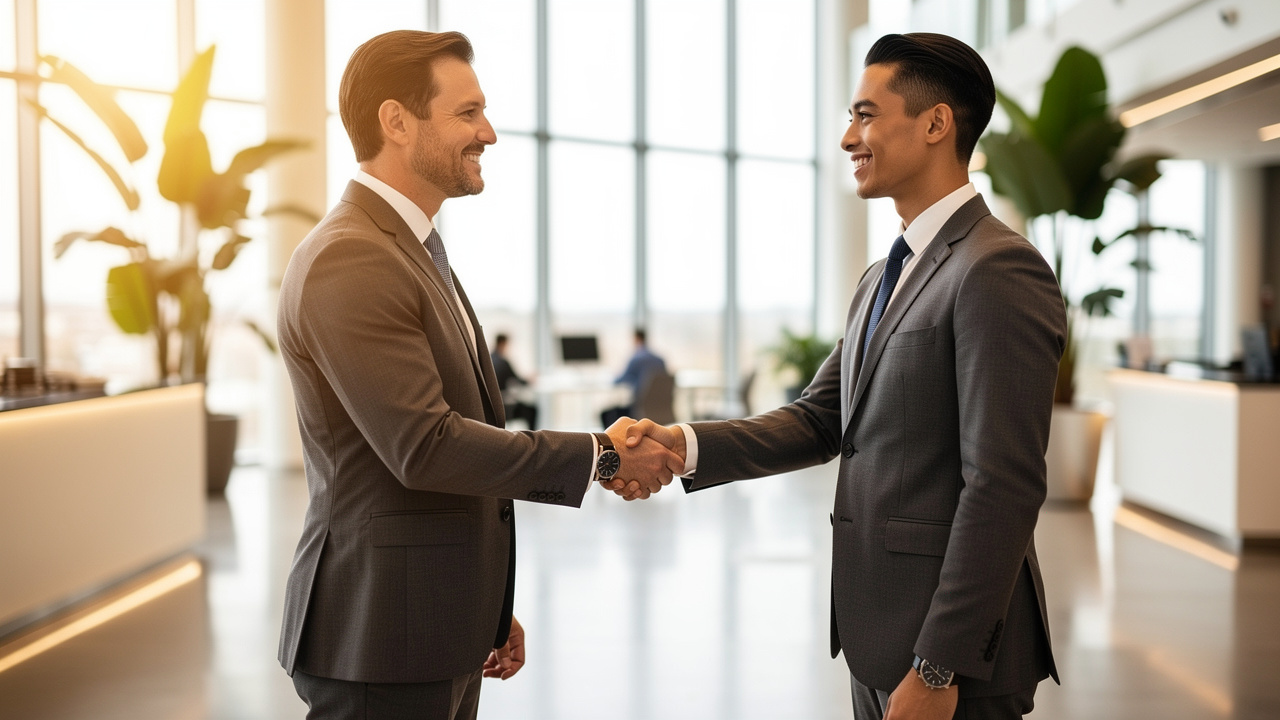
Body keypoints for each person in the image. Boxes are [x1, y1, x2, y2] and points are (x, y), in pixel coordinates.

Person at [618, 33, 1066, 720]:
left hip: (951, 662)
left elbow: (1003, 484)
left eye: (864, 115)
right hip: (879, 636)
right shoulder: (882, 276)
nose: (846, 138)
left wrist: (938, 664)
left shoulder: (996, 269)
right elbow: (818, 420)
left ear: (936, 124)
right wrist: (681, 446)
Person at [275, 30, 681, 720]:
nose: (487, 133)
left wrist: (482, 611)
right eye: (466, 113)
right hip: (381, 635)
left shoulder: (415, 249)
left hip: (431, 623)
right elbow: (425, 446)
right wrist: (602, 454)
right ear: (397, 122)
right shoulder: (352, 258)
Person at [599, 328, 667, 428]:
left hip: (639, 409)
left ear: (636, 339)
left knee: (605, 414)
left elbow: (620, 380)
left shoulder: (636, 359)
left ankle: (611, 442)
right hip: (662, 408)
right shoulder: (660, 359)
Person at [490, 333, 538, 430]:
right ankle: (533, 439)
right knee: (533, 410)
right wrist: (530, 380)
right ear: (503, 343)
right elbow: (518, 380)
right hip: (505, 406)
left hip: (493, 405)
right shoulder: (503, 362)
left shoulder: (489, 359)